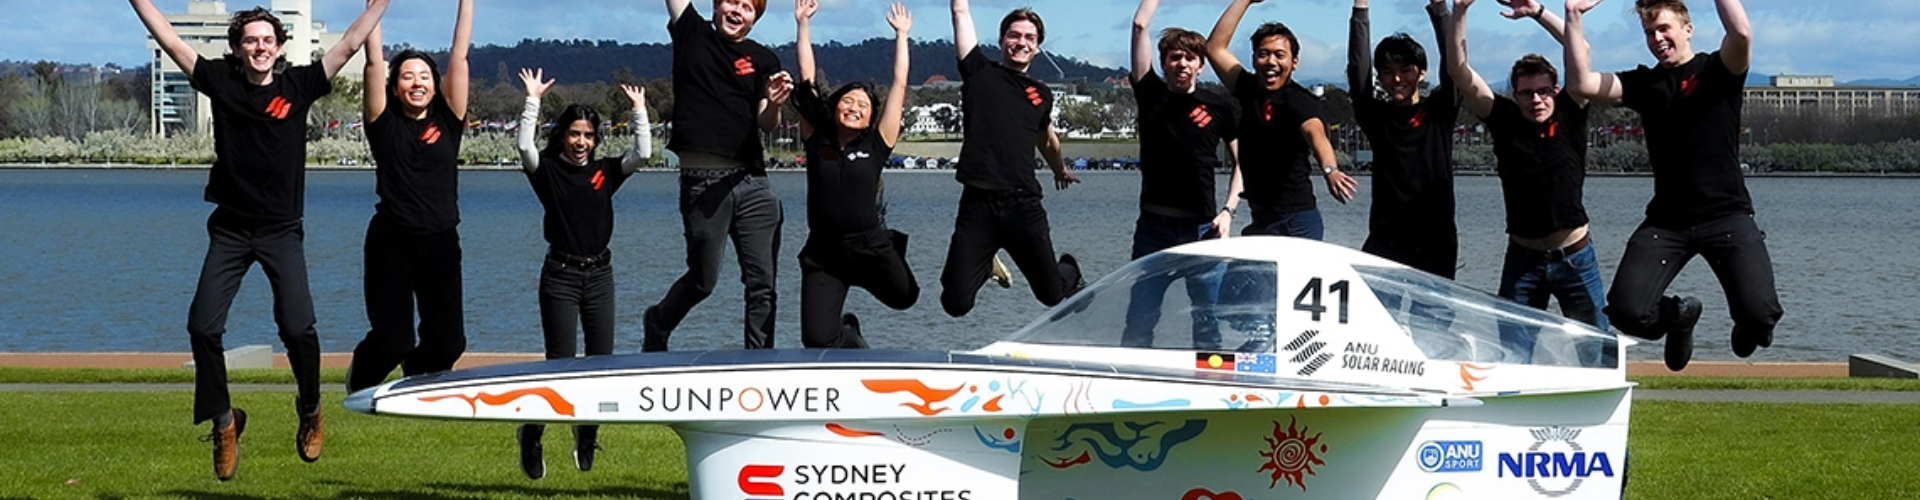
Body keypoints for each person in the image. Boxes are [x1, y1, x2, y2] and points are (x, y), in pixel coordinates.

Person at [131, 0, 388, 481]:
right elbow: (170, 40)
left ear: (280, 47)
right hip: (230, 230)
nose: (260, 47)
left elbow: (351, 42)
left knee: (298, 328)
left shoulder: (299, 85)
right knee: (202, 327)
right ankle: (225, 423)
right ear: (237, 48)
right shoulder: (220, 81)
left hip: (281, 230)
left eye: (268, 40)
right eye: (250, 40)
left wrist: (381, 4)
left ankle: (310, 407)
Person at [1565, 0, 1781, 371]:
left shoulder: (1719, 71)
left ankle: (1751, 326)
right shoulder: (1646, 84)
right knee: (1626, 311)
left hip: (1727, 215)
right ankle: (1679, 318)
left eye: (1664, 28)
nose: (1657, 39)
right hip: (1668, 222)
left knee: (1761, 316)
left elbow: (1741, 33)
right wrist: (1572, 14)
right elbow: (1581, 83)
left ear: (1688, 29)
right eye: (1649, 33)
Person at [1449, 0, 1608, 364]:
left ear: (1556, 90)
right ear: (1514, 94)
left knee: (1597, 351)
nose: (1536, 99)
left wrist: (1538, 12)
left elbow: (1580, 49)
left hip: (1576, 257)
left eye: (1543, 91)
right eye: (1526, 93)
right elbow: (1459, 71)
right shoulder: (1503, 119)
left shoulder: (1571, 110)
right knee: (1513, 355)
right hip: (1523, 260)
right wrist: (1460, 13)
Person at [511, 68, 652, 479]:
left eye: (588, 135)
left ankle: (587, 431)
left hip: (600, 276)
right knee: (558, 365)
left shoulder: (606, 172)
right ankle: (532, 433)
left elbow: (643, 154)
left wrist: (639, 110)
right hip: (561, 275)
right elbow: (524, 145)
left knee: (601, 363)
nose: (581, 142)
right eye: (574, 134)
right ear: (562, 136)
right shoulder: (547, 172)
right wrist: (533, 100)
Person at [643, 0, 793, 351]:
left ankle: (758, 363)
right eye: (731, 1)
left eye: (748, 7)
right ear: (715, 6)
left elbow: (767, 123)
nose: (737, 10)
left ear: (755, 19)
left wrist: (775, 103)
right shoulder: (693, 34)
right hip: (703, 183)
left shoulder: (764, 59)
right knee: (703, 281)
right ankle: (659, 321)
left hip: (752, 183)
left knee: (762, 285)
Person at [346, 0, 473, 394]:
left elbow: (459, 55)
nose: (417, 83)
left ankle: (414, 380)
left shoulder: (449, 120)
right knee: (393, 339)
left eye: (424, 76)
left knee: (450, 343)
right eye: (407, 77)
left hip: (440, 242)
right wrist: (375, 7)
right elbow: (373, 62)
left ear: (435, 84)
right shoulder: (382, 123)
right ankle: (359, 385)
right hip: (392, 242)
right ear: (395, 87)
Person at [938, 0, 1085, 318]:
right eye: (1014, 35)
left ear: (1037, 47)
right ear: (1001, 40)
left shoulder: (1042, 94)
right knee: (955, 303)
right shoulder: (978, 71)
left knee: (1051, 295)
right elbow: (960, 13)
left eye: (1029, 37)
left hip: (1022, 205)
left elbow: (1046, 139)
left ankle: (1069, 269)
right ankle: (986, 263)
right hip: (978, 204)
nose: (1021, 42)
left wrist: (1059, 169)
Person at [792, 1, 920, 348]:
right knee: (817, 340)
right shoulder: (817, 138)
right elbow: (806, 81)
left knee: (906, 297)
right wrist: (803, 25)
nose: (854, 107)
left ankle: (891, 248)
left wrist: (902, 36)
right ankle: (849, 333)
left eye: (863, 105)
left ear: (870, 117)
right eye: (848, 101)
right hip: (825, 252)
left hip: (870, 246)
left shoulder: (878, 143)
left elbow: (899, 84)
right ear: (835, 106)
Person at [1120, 0, 1243, 349]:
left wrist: (1228, 211)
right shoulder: (1150, 94)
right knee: (1140, 316)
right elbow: (1140, 26)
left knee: (1207, 320)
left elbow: (1243, 163)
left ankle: (1213, 375)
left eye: (1190, 58)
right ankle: (1133, 372)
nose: (1182, 64)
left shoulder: (1220, 105)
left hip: (1203, 229)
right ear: (1163, 64)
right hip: (1153, 229)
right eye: (1174, 57)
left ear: (1201, 65)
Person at [1205, 0, 1360, 241]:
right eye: (1263, 54)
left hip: (1296, 221)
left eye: (1280, 55)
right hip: (1261, 218)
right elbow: (1214, 48)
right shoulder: (1247, 88)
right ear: (1254, 59)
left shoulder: (1300, 100)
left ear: (1294, 62)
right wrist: (1245, 1)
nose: (1271, 62)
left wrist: (1331, 169)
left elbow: (1316, 135)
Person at [1349, 0, 1458, 278]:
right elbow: (1358, 70)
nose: (1397, 79)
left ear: (1422, 73)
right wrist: (1360, 7)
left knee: (1433, 309)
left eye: (1406, 69)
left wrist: (1439, 8)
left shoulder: (1440, 111)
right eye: (1387, 72)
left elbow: (1454, 66)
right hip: (1386, 239)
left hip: (1436, 240)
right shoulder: (1376, 117)